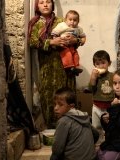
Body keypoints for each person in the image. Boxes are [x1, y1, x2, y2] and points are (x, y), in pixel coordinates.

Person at [28, 0, 80, 129]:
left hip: (65, 67)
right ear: (37, 6)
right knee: (48, 95)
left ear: (52, 5)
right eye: (41, 2)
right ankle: (52, 128)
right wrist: (51, 42)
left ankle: (71, 126)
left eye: (48, 2)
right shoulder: (35, 24)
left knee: (66, 94)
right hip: (47, 67)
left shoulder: (62, 21)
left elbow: (76, 35)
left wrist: (75, 40)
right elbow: (32, 42)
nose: (45, 5)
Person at [50, 87, 97, 160]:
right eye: (55, 104)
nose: (55, 108)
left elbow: (57, 149)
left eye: (60, 105)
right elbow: (96, 134)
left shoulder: (64, 121)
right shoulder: (83, 116)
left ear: (71, 106)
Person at [88, 50, 115, 146]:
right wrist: (93, 78)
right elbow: (91, 88)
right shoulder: (95, 76)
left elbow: (117, 88)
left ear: (109, 63)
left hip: (109, 107)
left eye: (103, 63)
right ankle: (99, 143)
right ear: (94, 65)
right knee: (96, 126)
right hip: (97, 106)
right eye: (97, 64)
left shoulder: (113, 76)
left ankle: (110, 142)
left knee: (110, 126)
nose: (101, 66)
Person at [51, 10, 86, 76]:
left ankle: (76, 67)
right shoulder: (62, 25)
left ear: (78, 21)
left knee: (75, 55)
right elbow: (54, 32)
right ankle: (69, 68)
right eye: (70, 19)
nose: (72, 22)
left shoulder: (78, 29)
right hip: (63, 45)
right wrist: (55, 39)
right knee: (68, 54)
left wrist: (82, 41)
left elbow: (83, 37)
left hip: (72, 46)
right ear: (65, 20)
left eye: (75, 20)